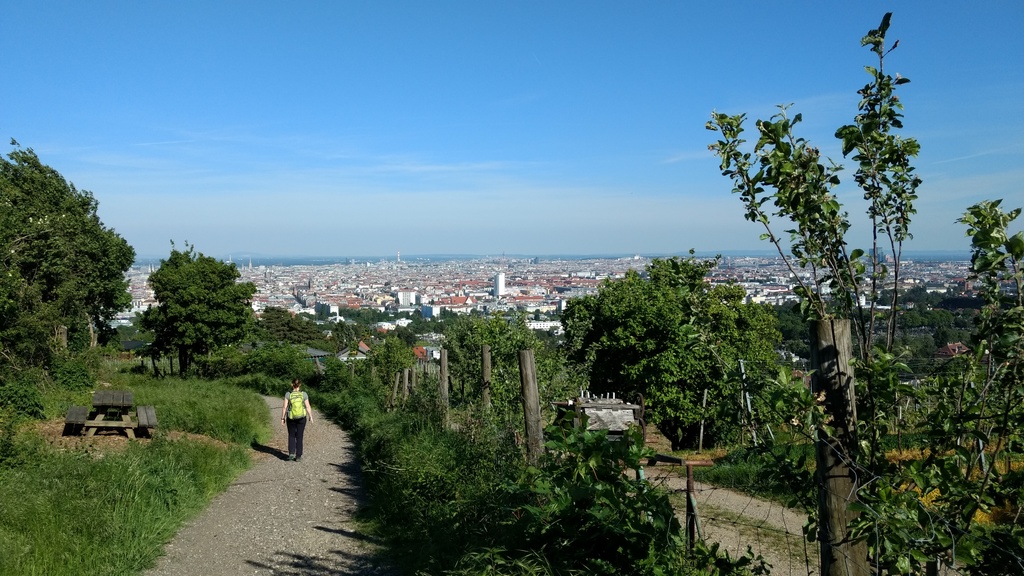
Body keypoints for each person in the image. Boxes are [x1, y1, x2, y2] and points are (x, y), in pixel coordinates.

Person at [281, 378, 313, 461]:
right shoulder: (304, 394)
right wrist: (311, 416)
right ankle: (298, 456)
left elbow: (285, 407)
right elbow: (308, 406)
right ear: (300, 385)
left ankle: (291, 454)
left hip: (290, 417)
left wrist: (282, 418)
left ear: (292, 384)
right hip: (301, 418)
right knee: (299, 436)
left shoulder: (288, 394)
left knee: (291, 435)